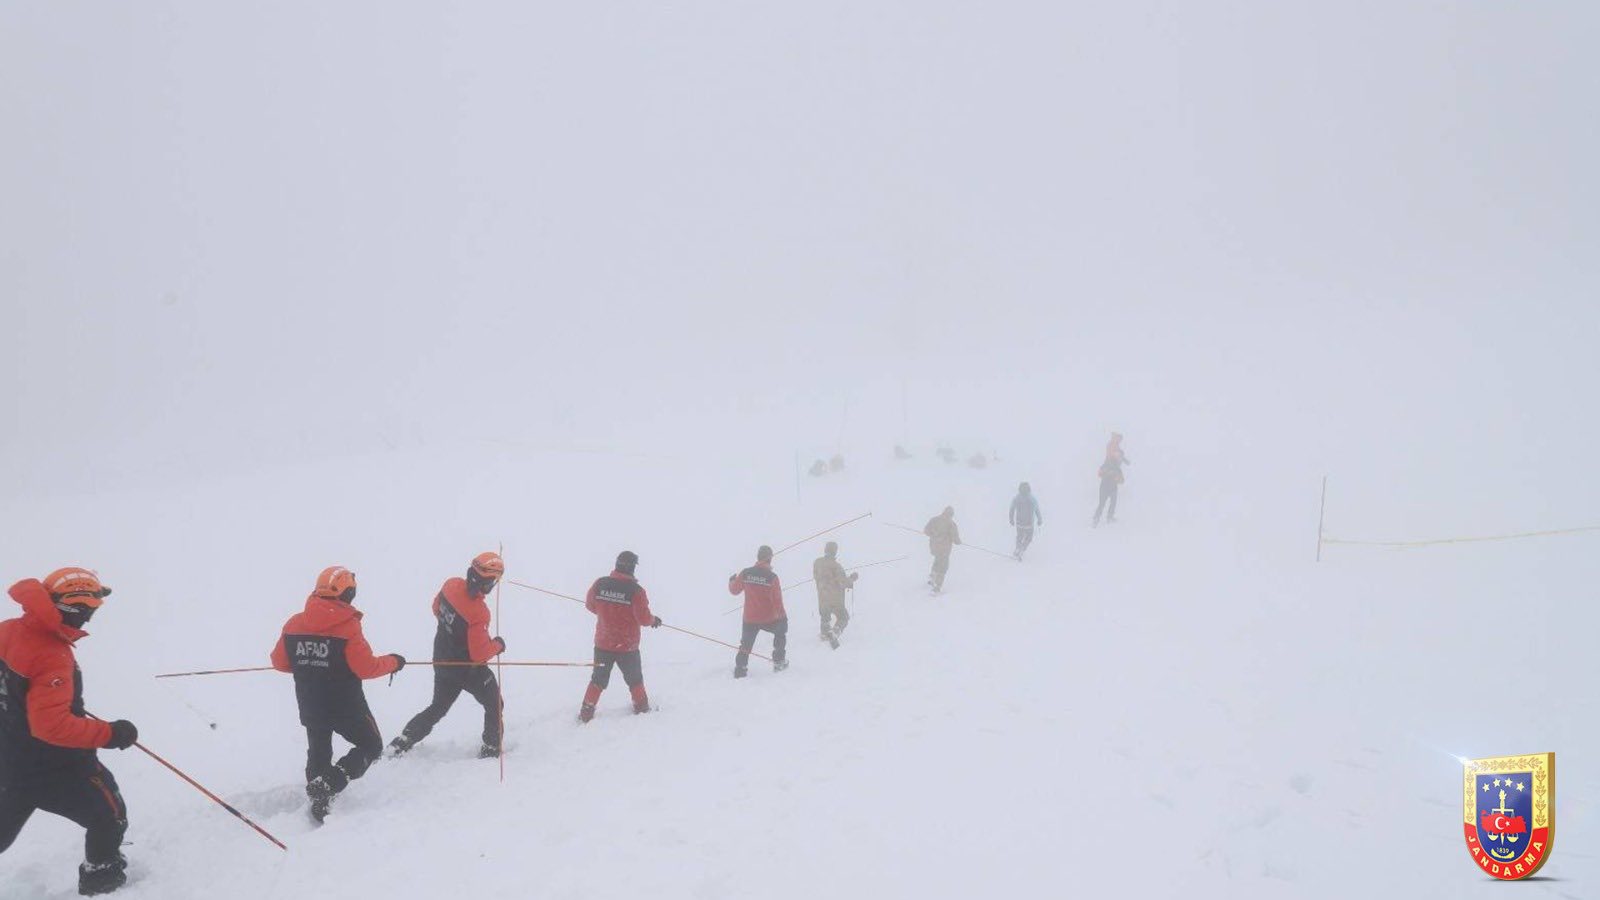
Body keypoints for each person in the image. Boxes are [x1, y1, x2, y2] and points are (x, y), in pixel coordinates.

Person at [0, 569, 137, 896]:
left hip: (10, 758)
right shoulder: (51, 654)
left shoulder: (8, 631)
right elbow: (51, 726)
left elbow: (23, 691)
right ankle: (103, 882)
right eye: (90, 612)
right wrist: (112, 734)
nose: (89, 620)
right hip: (57, 766)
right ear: (76, 610)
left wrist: (37, 703)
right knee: (109, 816)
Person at [271, 566, 404, 823]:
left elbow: (280, 662)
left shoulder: (294, 624)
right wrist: (394, 662)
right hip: (346, 705)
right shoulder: (348, 627)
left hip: (310, 702)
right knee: (371, 745)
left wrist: (308, 662)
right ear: (348, 595)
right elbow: (366, 668)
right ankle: (329, 784)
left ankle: (318, 798)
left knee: (319, 750)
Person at [391, 552, 508, 758]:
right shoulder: (479, 612)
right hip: (468, 670)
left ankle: (403, 741)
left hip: (442, 660)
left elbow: (436, 608)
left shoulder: (451, 585)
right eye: (495, 581)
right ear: (487, 582)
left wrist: (452, 631)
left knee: (438, 707)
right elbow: (480, 654)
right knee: (494, 703)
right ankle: (491, 748)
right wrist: (497, 645)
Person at [578, 550, 661, 722]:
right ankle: (642, 708)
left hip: (603, 643)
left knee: (598, 679)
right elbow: (644, 618)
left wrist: (606, 615)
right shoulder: (636, 591)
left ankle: (586, 712)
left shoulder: (600, 584)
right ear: (632, 568)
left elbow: (590, 605)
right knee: (634, 679)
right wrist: (654, 620)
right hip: (627, 646)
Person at [728, 546, 788, 678]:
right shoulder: (772, 577)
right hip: (769, 619)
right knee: (780, 633)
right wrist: (783, 618)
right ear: (770, 558)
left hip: (750, 619)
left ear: (758, 557)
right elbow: (777, 601)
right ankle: (779, 662)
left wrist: (732, 581)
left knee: (745, 644)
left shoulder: (746, 573)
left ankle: (740, 669)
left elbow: (734, 590)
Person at [812, 542, 857, 649]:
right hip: (835, 599)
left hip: (822, 597)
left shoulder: (817, 563)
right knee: (843, 617)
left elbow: (816, 576)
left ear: (825, 549)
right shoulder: (837, 566)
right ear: (835, 551)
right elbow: (843, 582)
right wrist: (852, 578)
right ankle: (835, 632)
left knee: (825, 618)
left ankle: (824, 635)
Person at [1094, 432, 1130, 526]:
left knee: (1113, 502)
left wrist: (1117, 478)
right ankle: (1096, 519)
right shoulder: (1108, 462)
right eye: (1119, 457)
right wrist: (1109, 473)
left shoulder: (1118, 468)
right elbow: (1099, 473)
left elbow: (1122, 481)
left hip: (1113, 487)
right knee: (1102, 504)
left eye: (1120, 458)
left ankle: (1109, 517)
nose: (1119, 460)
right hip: (1105, 486)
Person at [923, 507, 961, 593]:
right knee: (943, 566)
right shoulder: (951, 524)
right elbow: (955, 539)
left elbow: (926, 531)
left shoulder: (934, 520)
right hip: (945, 549)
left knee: (937, 559)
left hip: (934, 547)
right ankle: (937, 587)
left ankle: (932, 576)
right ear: (951, 514)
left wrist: (934, 535)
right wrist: (959, 542)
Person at [1009, 482, 1043, 560]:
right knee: (1029, 538)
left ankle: (1017, 548)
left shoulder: (1017, 498)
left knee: (1019, 536)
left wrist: (1011, 519)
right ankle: (1022, 549)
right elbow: (1037, 510)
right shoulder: (1032, 499)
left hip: (1019, 523)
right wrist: (1039, 519)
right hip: (1029, 524)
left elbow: (1012, 509)